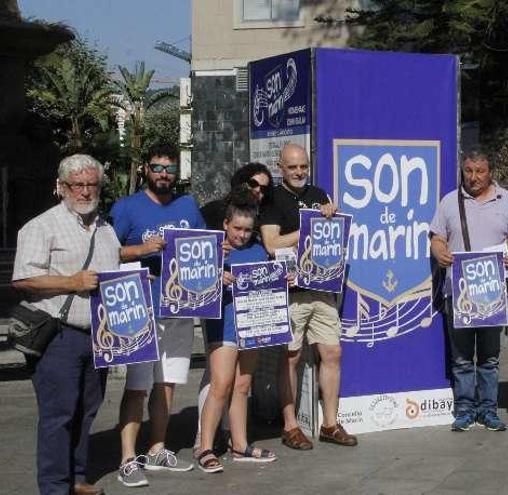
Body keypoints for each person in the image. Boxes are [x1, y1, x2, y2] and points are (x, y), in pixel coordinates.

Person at [13, 154, 121, 495]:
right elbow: (24, 280)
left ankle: (76, 479)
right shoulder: (41, 226)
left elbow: (114, 264)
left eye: (92, 184)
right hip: (59, 336)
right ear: (61, 187)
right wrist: (71, 282)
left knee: (87, 412)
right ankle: (54, 487)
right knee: (58, 417)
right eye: (78, 185)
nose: (86, 191)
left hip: (98, 337)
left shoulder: (104, 227)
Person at [110, 143, 205, 487]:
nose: (164, 174)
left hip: (179, 309)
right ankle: (126, 459)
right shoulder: (126, 207)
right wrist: (141, 249)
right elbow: (108, 252)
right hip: (141, 308)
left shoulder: (188, 204)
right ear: (145, 170)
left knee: (167, 385)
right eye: (157, 167)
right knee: (137, 387)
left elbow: (204, 245)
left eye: (169, 169)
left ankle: (157, 448)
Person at [260, 142, 357, 449]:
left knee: (332, 354)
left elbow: (334, 237)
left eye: (303, 166)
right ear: (280, 167)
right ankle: (290, 426)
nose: (299, 171)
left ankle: (330, 423)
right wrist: (310, 226)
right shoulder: (272, 198)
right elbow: (272, 244)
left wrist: (330, 216)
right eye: (292, 167)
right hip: (291, 291)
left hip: (322, 288)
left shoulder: (319, 195)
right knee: (290, 357)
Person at [429, 149, 508, 432]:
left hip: (492, 291)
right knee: (461, 358)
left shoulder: (505, 200)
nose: (474, 177)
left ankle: (489, 410)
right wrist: (440, 253)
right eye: (468, 171)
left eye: (479, 171)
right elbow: (436, 237)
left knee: (490, 358)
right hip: (457, 292)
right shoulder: (449, 201)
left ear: (489, 171)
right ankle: (465, 409)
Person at [193, 161, 272, 453]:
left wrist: (283, 280)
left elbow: (268, 286)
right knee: (221, 385)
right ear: (225, 224)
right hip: (223, 324)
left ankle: (240, 445)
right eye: (237, 228)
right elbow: (192, 282)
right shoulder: (210, 248)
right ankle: (205, 446)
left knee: (242, 385)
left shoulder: (260, 250)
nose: (241, 235)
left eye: (248, 230)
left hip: (251, 327)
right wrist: (214, 270)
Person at [200, 162, 272, 230]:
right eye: (253, 183)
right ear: (241, 182)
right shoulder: (213, 210)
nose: (258, 190)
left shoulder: (264, 221)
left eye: (264, 189)